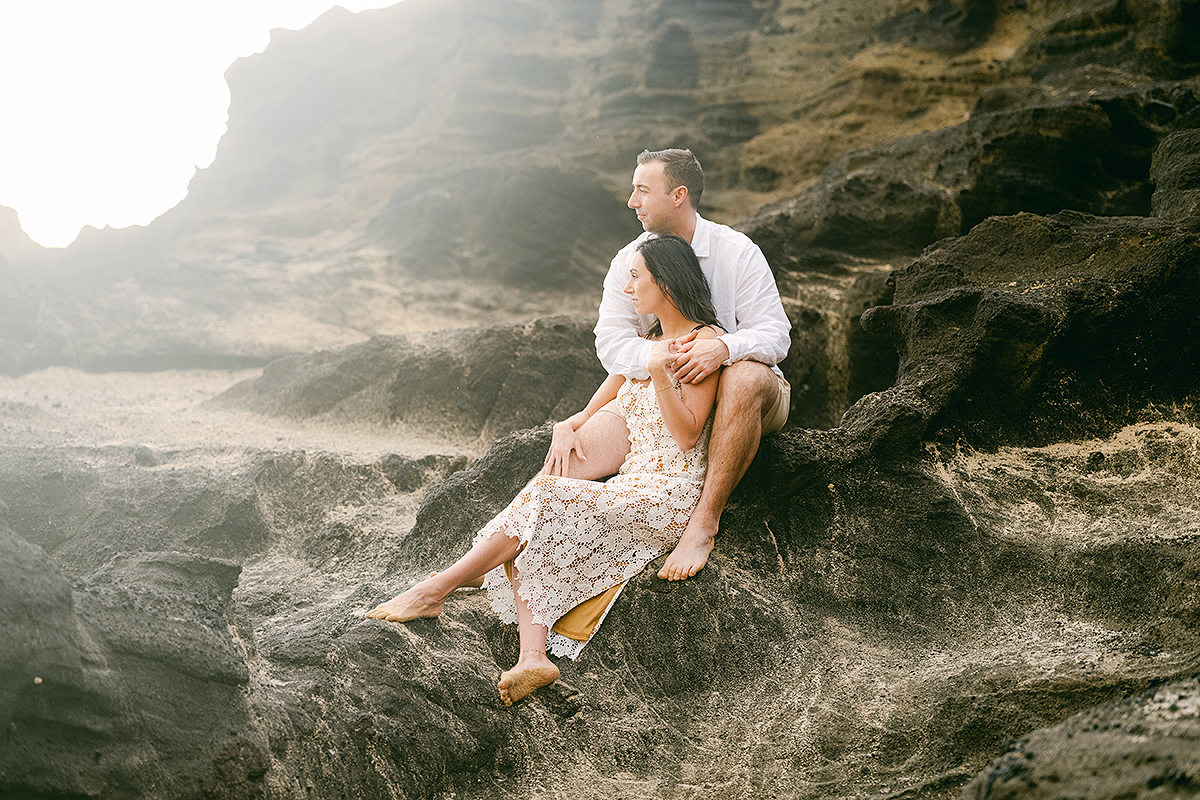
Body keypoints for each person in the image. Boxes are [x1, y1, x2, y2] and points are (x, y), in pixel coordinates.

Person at [367, 234, 724, 706]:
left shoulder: (704, 343)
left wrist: (660, 373)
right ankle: (531, 658)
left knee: (547, 501)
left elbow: (688, 435)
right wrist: (566, 426)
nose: (628, 288)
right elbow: (592, 409)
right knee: (545, 499)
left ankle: (439, 587)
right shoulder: (647, 344)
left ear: (666, 283)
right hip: (630, 484)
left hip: (670, 495)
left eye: (636, 277)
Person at [550, 148, 791, 582]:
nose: (632, 202)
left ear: (678, 195)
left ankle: (704, 522)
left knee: (742, 377)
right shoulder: (628, 261)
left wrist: (723, 349)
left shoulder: (737, 251)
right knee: (569, 457)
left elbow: (776, 334)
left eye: (642, 190)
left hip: (744, 395)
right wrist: (659, 357)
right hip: (663, 396)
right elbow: (611, 343)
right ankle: (509, 547)